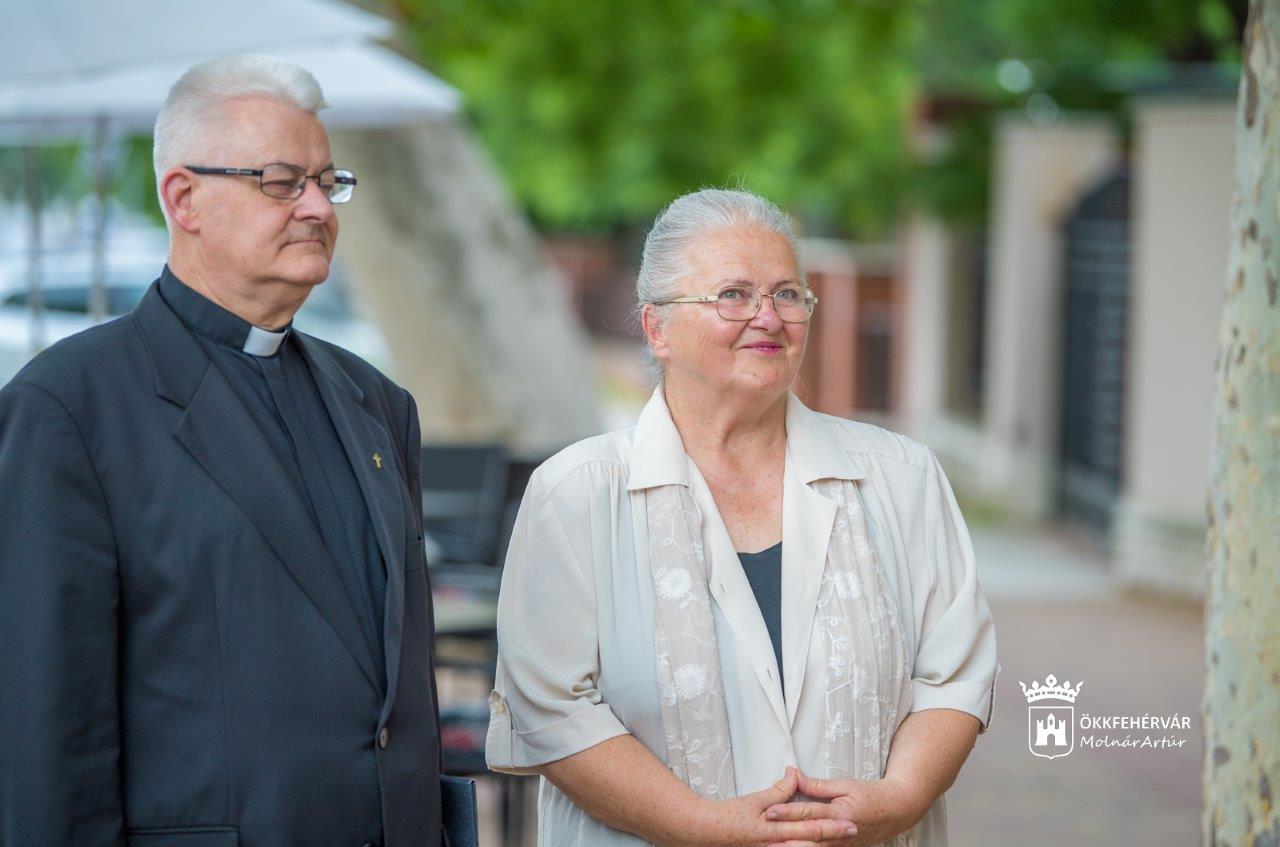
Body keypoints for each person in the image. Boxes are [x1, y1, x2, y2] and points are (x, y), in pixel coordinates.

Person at [0, 55, 443, 846]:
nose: (316, 206)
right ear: (184, 198)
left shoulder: (378, 404)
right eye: (281, 181)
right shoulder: (67, 408)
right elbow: (46, 728)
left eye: (327, 181)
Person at [486, 188, 998, 846]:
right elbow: (551, 708)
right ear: (657, 328)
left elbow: (952, 674)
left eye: (788, 294)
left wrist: (898, 799)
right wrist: (706, 825)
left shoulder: (902, 478)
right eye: (733, 294)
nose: (769, 316)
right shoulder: (576, 493)